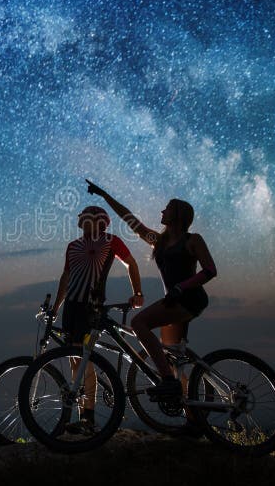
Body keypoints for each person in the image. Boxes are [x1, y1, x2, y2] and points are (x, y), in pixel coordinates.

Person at [85, 180, 217, 400]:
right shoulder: (160, 242)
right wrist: (104, 195)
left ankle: (168, 383)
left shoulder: (192, 240)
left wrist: (180, 287)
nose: (162, 211)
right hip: (173, 302)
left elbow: (210, 270)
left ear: (177, 215)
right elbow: (130, 220)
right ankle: (192, 417)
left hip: (189, 299)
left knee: (139, 323)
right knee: (171, 357)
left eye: (167, 208)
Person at [50, 205, 144, 434]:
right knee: (75, 360)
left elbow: (131, 263)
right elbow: (66, 277)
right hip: (71, 307)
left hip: (91, 306)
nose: (82, 221)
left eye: (86, 218)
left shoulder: (111, 241)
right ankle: (84, 416)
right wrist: (55, 308)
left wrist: (138, 292)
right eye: (82, 218)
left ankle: (88, 417)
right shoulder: (72, 246)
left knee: (84, 358)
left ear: (99, 221)